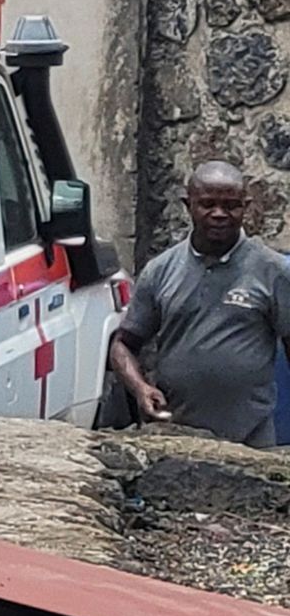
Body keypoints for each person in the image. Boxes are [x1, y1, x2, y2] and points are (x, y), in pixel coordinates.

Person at [111, 160, 290, 448]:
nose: (219, 214)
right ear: (188, 205)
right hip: (177, 436)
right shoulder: (161, 270)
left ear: (246, 206)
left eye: (231, 205)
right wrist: (140, 388)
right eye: (207, 204)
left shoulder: (273, 271)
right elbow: (123, 345)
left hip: (252, 440)